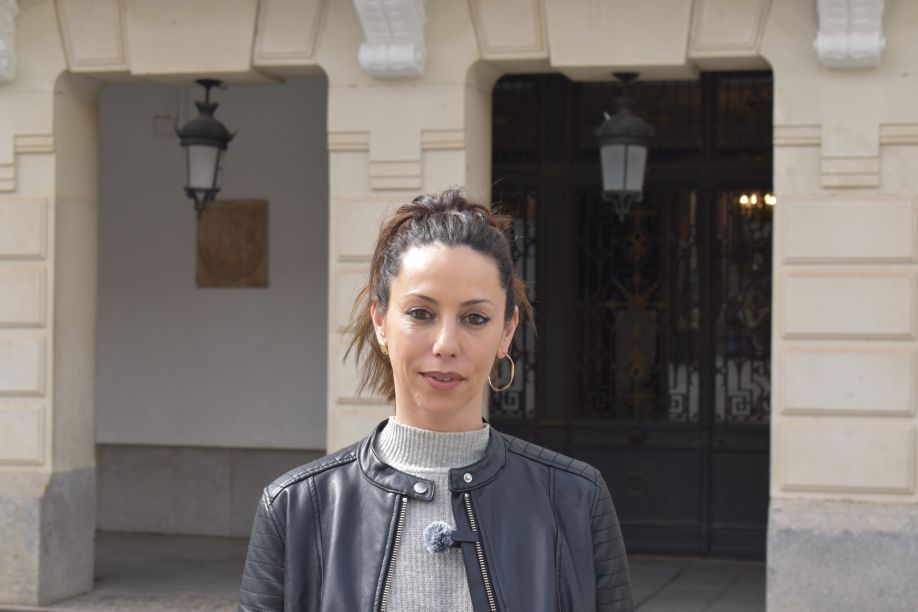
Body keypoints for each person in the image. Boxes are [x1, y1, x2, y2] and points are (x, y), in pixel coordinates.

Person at [239, 189, 634, 612]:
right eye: (421, 313)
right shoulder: (296, 508)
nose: (446, 344)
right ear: (380, 321)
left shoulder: (576, 499)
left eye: (475, 318)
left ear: (506, 331)